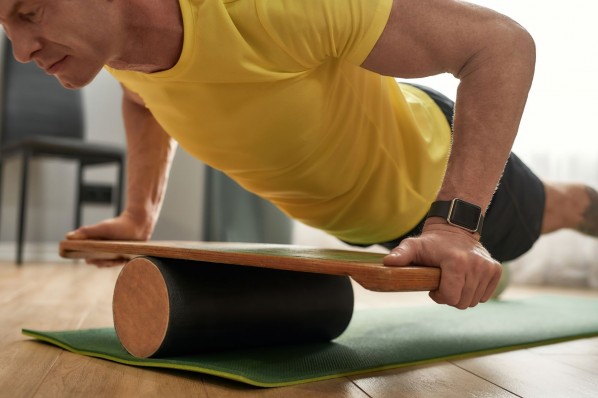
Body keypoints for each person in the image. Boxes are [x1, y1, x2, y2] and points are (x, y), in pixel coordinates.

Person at [2, 0, 596, 310]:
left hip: (429, 175)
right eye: (5, 24)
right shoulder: (115, 51)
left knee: (560, 208)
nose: (22, 49)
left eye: (30, 12)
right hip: (368, 224)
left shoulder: (269, 11)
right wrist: (139, 216)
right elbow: (141, 101)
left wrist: (457, 226)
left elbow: (501, 45)